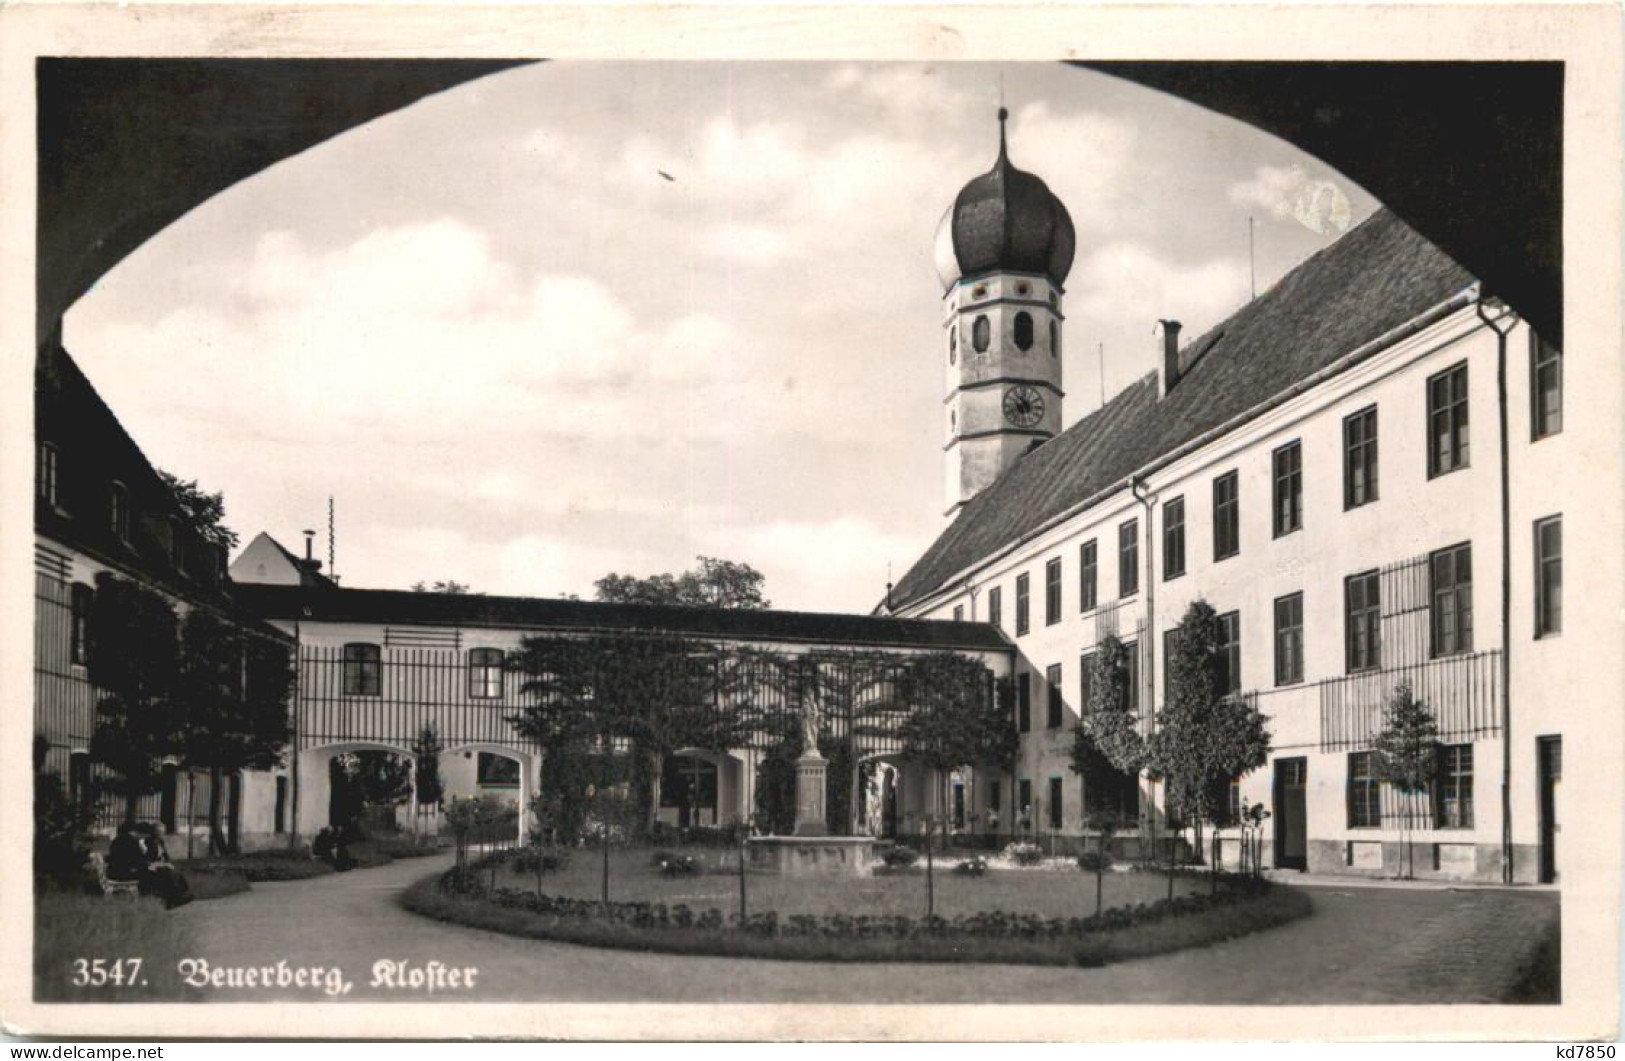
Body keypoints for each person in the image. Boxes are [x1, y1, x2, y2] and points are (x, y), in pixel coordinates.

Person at [135, 823, 193, 908]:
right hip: (151, 865)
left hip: (160, 864)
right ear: (154, 832)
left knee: (175, 871)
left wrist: (168, 862)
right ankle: (172, 899)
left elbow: (165, 854)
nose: (161, 834)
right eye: (159, 832)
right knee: (165, 873)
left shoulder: (160, 841)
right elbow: (147, 858)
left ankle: (180, 894)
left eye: (162, 832)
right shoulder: (147, 842)